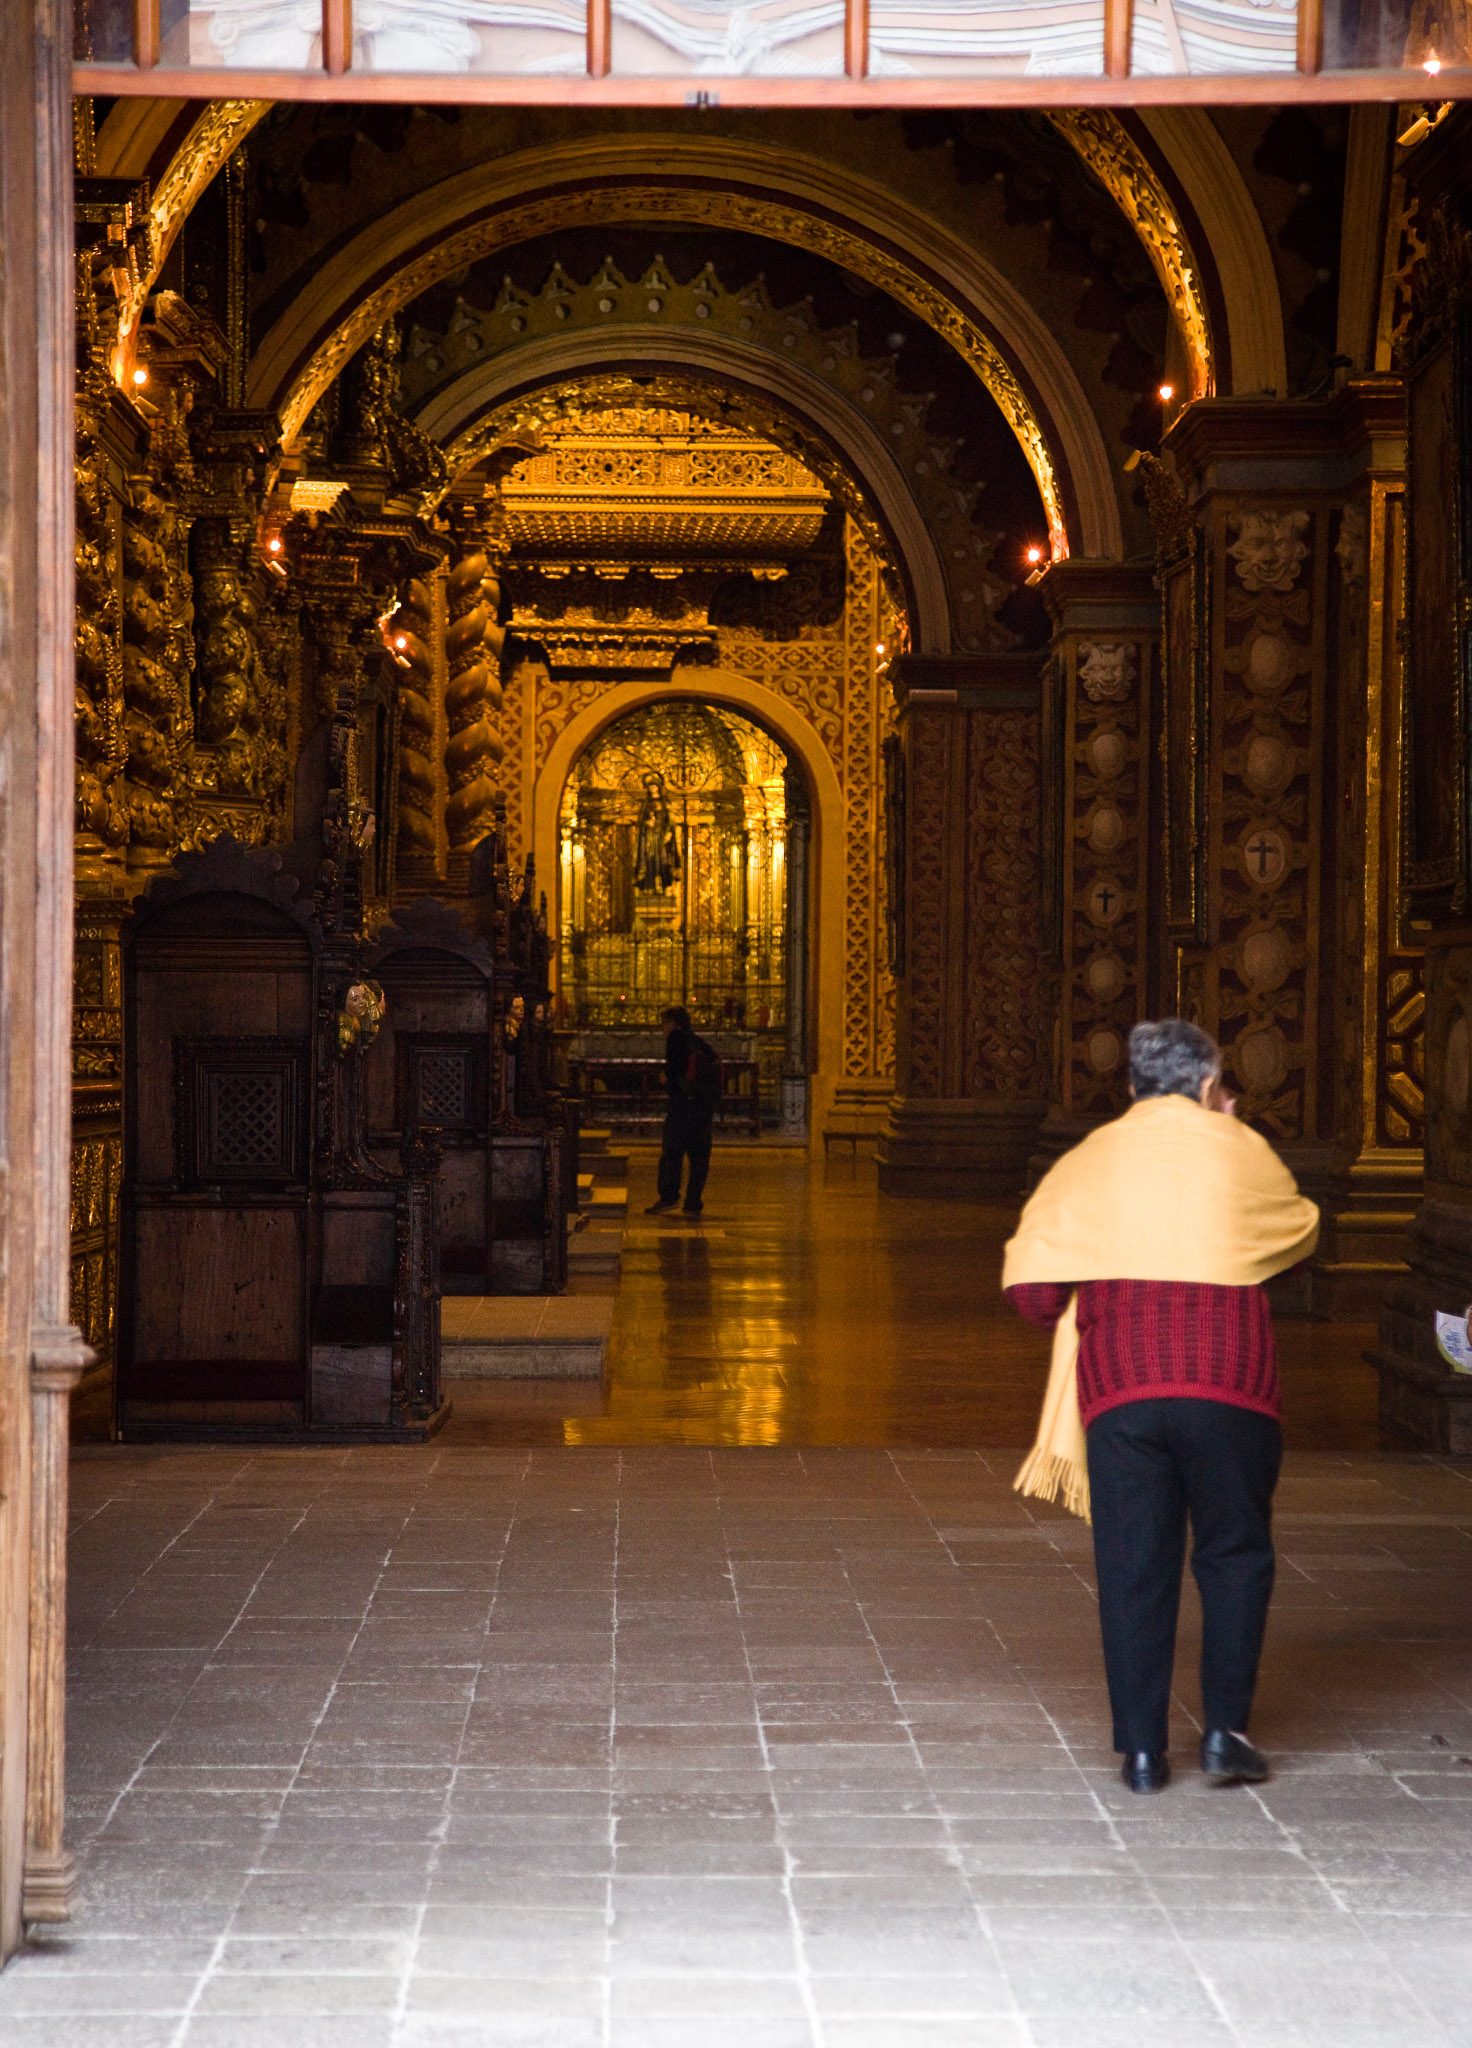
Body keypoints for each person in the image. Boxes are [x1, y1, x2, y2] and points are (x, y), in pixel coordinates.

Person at [1003, 1019, 1319, 1796]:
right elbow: (1299, 1235)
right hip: (1231, 1391)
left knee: (1132, 1564)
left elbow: (1035, 1296)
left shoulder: (1091, 1157)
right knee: (1233, 1554)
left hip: (1123, 1393)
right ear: (1211, 1087)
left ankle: (1142, 1753)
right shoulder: (1239, 1149)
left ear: (1135, 1085)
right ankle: (1224, 1734)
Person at [645, 1005, 722, 1216]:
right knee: (699, 1155)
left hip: (683, 1104)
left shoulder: (676, 1038)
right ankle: (693, 1201)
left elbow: (674, 1069)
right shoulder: (698, 1041)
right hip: (703, 1104)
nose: (663, 1029)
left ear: (672, 1023)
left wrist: (666, 1079)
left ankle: (669, 1196)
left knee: (672, 1151)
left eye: (664, 1024)